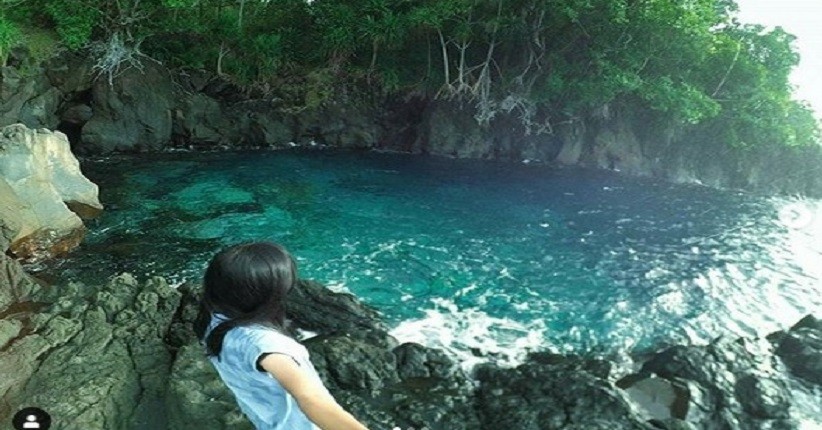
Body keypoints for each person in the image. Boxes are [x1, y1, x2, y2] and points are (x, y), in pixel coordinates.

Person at [194, 241, 369, 430]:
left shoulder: (213, 321)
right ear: (271, 294)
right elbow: (311, 399)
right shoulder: (266, 345)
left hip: (265, 421)